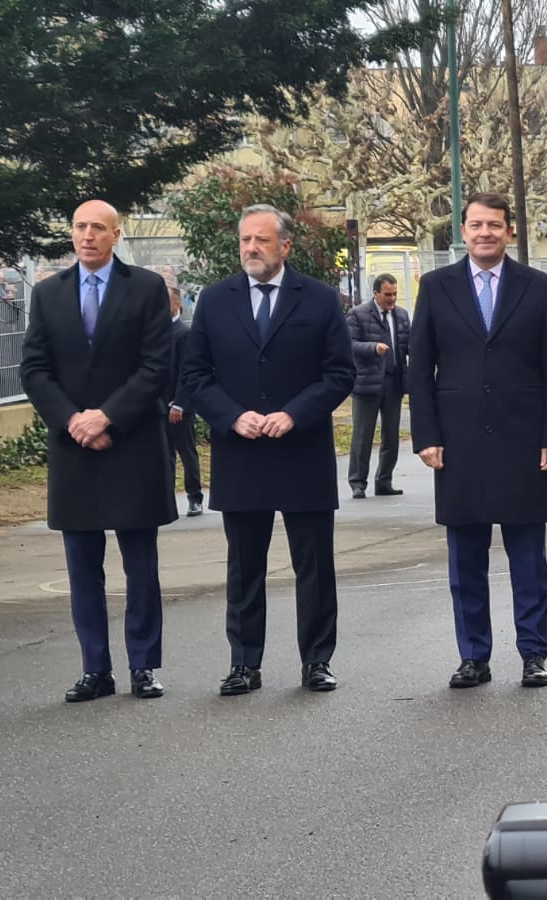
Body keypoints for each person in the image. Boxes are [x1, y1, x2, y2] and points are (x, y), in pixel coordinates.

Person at [181, 204, 355, 696]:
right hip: (242, 454)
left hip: (302, 453)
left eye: (261, 240)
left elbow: (340, 373)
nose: (251, 249)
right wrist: (232, 416)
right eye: (245, 241)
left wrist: (294, 413)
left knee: (314, 566)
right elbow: (195, 375)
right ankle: (244, 663)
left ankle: (317, 661)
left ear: (285, 246)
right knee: (244, 567)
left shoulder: (319, 299)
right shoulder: (216, 301)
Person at [408, 193, 547, 689]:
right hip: (456, 443)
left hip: (523, 440)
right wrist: (426, 435)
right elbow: (420, 367)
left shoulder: (536, 286)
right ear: (463, 230)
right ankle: (473, 656)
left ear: (509, 232)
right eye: (476, 225)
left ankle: (533, 653)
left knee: (528, 560)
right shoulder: (436, 287)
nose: (485, 233)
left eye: (494, 225)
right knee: (465, 562)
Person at [19, 199, 176, 702]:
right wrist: (74, 421)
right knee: (82, 566)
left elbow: (155, 367)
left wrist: (106, 417)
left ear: (116, 234)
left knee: (140, 564)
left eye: (98, 228)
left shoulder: (147, 288)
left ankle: (144, 665)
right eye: (80, 227)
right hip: (74, 448)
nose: (87, 235)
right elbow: (35, 370)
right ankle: (95, 669)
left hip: (131, 444)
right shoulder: (47, 294)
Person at [346, 273, 411, 499]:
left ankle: (384, 480)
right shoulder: (358, 315)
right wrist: (373, 348)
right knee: (363, 435)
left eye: (394, 294)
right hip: (367, 382)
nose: (392, 299)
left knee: (391, 436)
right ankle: (357, 482)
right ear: (376, 294)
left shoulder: (402, 316)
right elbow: (349, 345)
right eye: (387, 294)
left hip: (393, 383)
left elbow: (408, 346)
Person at [164, 276, 203, 517]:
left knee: (186, 452)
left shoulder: (184, 333)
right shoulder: (154, 332)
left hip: (178, 407)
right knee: (164, 455)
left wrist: (179, 403)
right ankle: (166, 498)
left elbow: (186, 372)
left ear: (177, 303)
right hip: (158, 405)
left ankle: (194, 496)